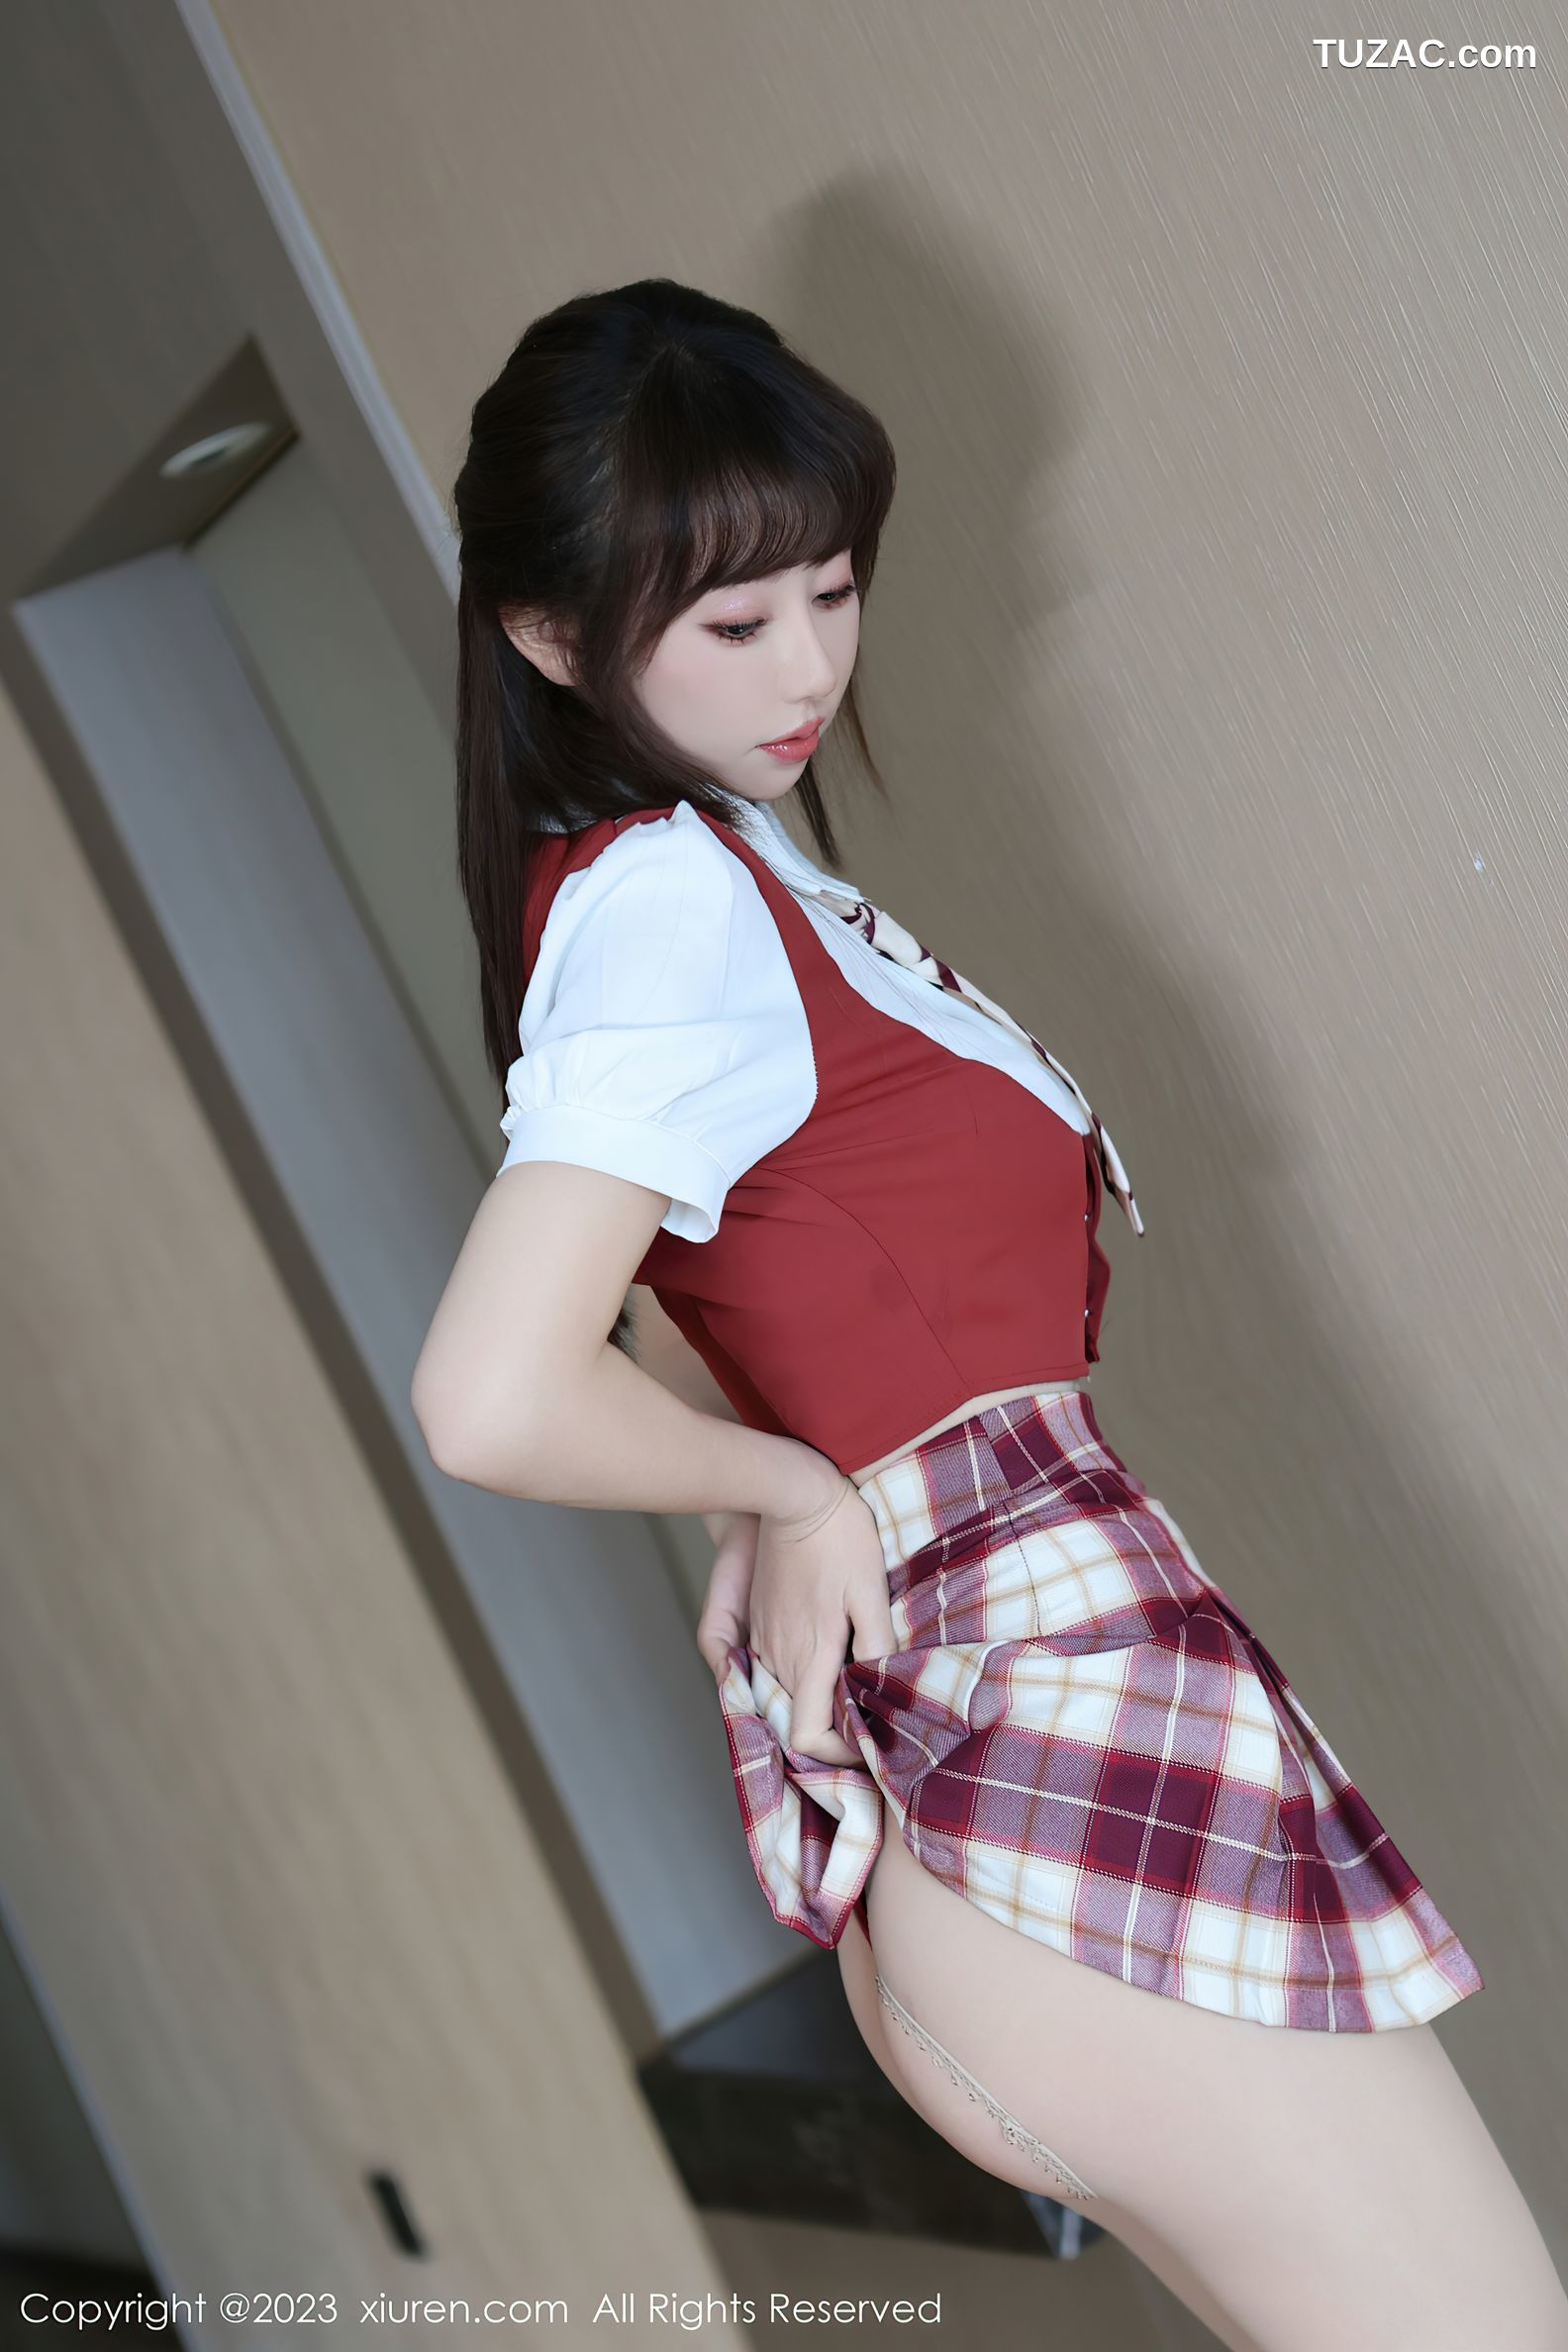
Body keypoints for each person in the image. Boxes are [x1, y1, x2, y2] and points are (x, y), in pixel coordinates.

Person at [412, 277, 1568, 2349]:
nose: (806, 667)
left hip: (1016, 1782)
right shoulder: (668, 905)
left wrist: (770, 1488)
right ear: (550, 636)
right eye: (733, 623)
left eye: (830, 592)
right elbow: (491, 1396)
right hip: (1063, 1751)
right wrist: (790, 1487)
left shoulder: (698, 880)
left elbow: (690, 1298)